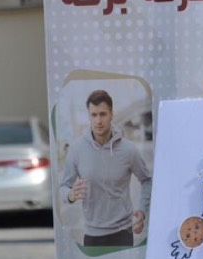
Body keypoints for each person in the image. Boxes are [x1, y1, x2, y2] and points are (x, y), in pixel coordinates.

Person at [60, 89, 153, 248]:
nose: (98, 121)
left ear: (111, 114)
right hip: (92, 235)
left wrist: (142, 210)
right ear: (89, 116)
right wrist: (70, 195)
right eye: (94, 115)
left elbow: (146, 180)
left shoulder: (128, 150)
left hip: (123, 233)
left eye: (103, 114)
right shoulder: (77, 149)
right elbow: (63, 187)